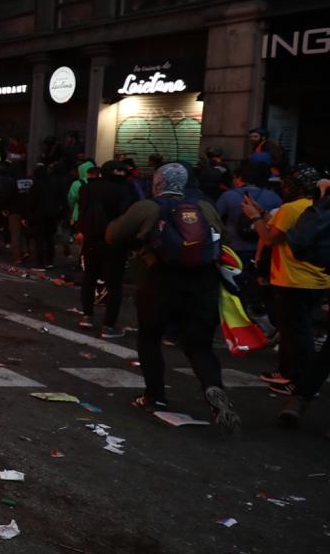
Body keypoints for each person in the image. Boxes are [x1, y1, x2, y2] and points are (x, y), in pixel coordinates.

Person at [107, 163, 239, 430]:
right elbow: (224, 240)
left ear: (158, 183)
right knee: (199, 346)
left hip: (161, 279)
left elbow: (113, 235)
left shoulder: (149, 207)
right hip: (203, 283)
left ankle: (155, 396)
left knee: (149, 337)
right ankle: (213, 388)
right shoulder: (205, 207)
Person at [245, 166, 330, 426]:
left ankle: (299, 384)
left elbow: (271, 238)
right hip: (319, 279)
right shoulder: (309, 208)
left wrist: (254, 218)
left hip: (292, 279)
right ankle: (296, 383)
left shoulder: (293, 209)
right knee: (299, 330)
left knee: (297, 332)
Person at [216, 160, 281, 322]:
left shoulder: (228, 196)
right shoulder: (273, 197)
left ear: (239, 177)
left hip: (234, 250)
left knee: (234, 287)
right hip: (262, 251)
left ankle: (237, 318)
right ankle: (259, 319)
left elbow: (216, 220)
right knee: (258, 290)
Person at [75, 161, 134, 337]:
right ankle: (109, 325)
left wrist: (80, 230)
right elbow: (129, 218)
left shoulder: (88, 189)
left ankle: (87, 316)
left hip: (91, 240)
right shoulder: (125, 190)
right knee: (114, 284)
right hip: (115, 241)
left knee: (89, 278)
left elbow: (82, 212)